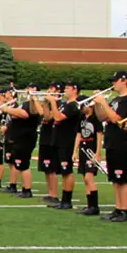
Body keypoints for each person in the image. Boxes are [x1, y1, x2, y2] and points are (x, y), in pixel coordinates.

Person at [92, 71, 127, 223]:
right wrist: (98, 103)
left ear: (124, 81)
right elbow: (102, 117)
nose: (113, 84)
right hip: (112, 141)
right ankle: (118, 209)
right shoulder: (116, 99)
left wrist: (104, 102)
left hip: (123, 142)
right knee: (115, 179)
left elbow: (116, 118)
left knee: (123, 179)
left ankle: (124, 210)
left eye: (115, 81)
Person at [47, 82, 82, 211]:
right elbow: (48, 117)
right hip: (58, 141)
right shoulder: (64, 105)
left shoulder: (73, 106)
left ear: (75, 90)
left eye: (67, 88)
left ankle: (67, 200)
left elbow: (57, 117)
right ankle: (63, 199)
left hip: (66, 142)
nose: (64, 90)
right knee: (62, 172)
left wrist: (52, 102)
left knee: (67, 171)